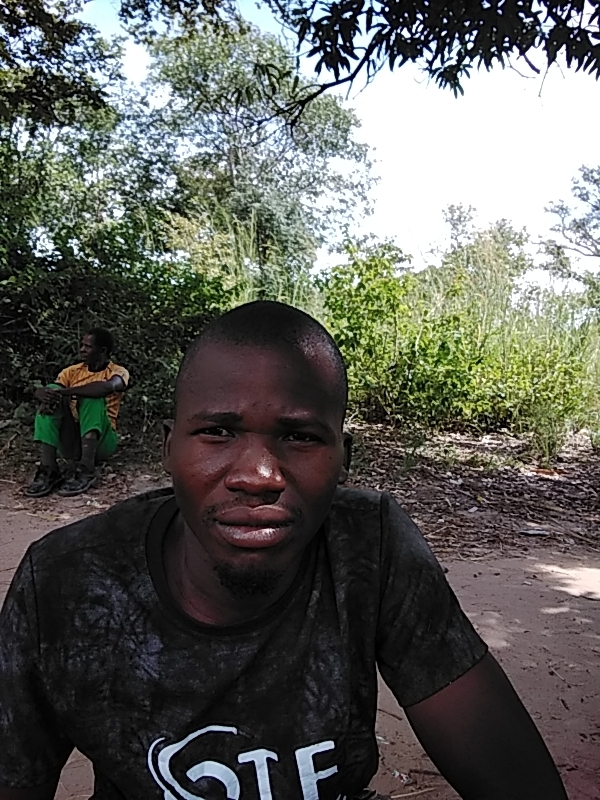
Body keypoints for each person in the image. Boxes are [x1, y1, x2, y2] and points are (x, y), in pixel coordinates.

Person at [0, 302, 567, 800]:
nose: (258, 476)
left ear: (343, 459)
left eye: (300, 437)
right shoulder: (67, 581)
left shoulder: (367, 547)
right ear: (170, 449)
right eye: (218, 431)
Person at [25, 328, 129, 498]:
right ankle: (48, 469)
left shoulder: (117, 372)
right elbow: (54, 390)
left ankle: (86, 468)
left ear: (102, 350)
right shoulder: (71, 372)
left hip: (101, 442)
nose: (82, 350)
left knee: (92, 397)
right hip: (72, 441)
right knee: (51, 396)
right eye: (82, 345)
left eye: (88, 346)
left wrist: (67, 392)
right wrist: (43, 393)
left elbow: (107, 387)